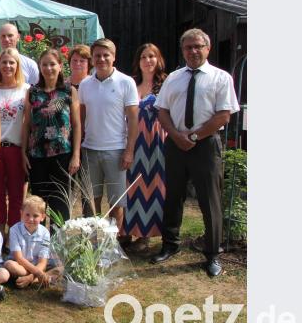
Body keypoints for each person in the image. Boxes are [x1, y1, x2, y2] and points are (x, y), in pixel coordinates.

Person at [150, 29, 239, 277]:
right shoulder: (174, 78)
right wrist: (177, 136)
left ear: (207, 48)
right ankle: (170, 245)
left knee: (210, 200)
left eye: (198, 46)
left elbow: (224, 115)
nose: (193, 51)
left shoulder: (220, 78)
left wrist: (194, 136)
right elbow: (162, 111)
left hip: (206, 146)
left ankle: (212, 254)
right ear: (183, 51)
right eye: (188, 47)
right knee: (173, 196)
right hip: (176, 144)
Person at [78, 39, 139, 230]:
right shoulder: (85, 84)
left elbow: (133, 120)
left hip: (116, 151)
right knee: (90, 200)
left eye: (106, 55)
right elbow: (81, 118)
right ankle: (91, 243)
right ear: (92, 58)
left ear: (114, 57)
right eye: (97, 55)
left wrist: (129, 151)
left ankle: (111, 246)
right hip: (90, 150)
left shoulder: (126, 82)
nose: (102, 59)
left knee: (117, 202)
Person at [21, 48, 81, 224]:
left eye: (52, 64)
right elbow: (26, 125)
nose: (48, 68)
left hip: (62, 155)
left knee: (60, 202)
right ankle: (39, 243)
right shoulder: (32, 92)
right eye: (44, 64)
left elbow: (76, 125)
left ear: (60, 66)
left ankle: (58, 246)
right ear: (40, 67)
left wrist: (76, 155)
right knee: (39, 204)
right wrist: (23, 153)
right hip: (37, 156)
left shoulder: (69, 91)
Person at [124, 43, 168, 251]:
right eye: (143, 56)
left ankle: (147, 236)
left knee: (155, 187)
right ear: (138, 61)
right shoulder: (131, 84)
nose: (147, 60)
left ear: (158, 59)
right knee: (132, 188)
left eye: (152, 56)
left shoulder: (167, 84)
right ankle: (129, 231)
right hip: (134, 141)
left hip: (159, 141)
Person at [0, 48, 30, 231]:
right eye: (4, 62)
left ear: (17, 65)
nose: (7, 66)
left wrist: (25, 150)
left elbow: (29, 122)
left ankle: (14, 232)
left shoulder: (26, 90)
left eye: (12, 62)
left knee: (16, 194)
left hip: (16, 147)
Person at [4, 196, 55, 289]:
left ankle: (28, 280)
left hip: (37, 265)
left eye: (35, 216)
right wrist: (39, 273)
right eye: (27, 215)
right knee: (10, 265)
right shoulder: (14, 230)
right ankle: (41, 278)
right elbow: (19, 258)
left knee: (60, 268)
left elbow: (43, 262)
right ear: (21, 213)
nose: (31, 219)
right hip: (20, 265)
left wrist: (30, 277)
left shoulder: (45, 233)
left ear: (42, 217)